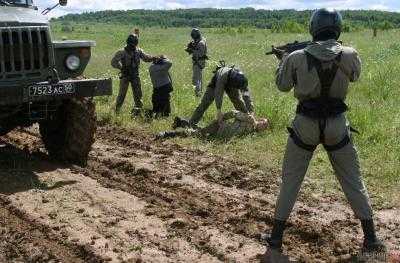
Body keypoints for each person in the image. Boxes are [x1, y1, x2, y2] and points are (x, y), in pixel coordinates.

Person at [263, 8, 386, 258]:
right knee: (353, 180)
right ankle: (371, 238)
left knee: (291, 180)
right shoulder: (349, 54)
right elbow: (355, 76)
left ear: (313, 27)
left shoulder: (296, 57)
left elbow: (282, 86)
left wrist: (283, 61)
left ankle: (275, 240)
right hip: (337, 124)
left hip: (305, 124)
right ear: (337, 28)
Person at [173, 64, 254, 130]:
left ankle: (247, 121)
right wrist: (219, 110)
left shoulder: (242, 79)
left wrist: (250, 111)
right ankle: (191, 123)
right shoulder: (223, 75)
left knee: (238, 102)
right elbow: (218, 93)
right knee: (204, 103)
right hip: (215, 84)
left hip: (231, 84)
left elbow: (246, 95)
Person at [111, 34, 156, 114]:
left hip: (135, 75)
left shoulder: (138, 51)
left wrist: (154, 58)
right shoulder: (122, 52)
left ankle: (138, 112)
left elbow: (146, 58)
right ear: (128, 43)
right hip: (125, 75)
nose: (132, 46)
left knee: (138, 95)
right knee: (122, 95)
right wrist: (121, 68)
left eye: (134, 44)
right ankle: (117, 111)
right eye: (131, 44)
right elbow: (113, 62)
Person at [158, 110, 268, 140]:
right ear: (261, 120)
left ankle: (182, 122)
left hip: (219, 135)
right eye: (265, 123)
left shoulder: (252, 134)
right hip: (220, 127)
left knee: (200, 132)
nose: (264, 127)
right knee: (196, 134)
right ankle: (167, 134)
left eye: (266, 127)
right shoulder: (250, 119)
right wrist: (221, 119)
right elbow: (233, 113)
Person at [185, 28, 208, 97]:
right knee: (197, 79)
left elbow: (201, 53)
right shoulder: (200, 40)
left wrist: (192, 50)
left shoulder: (201, 43)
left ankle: (198, 94)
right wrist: (193, 46)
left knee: (196, 79)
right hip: (197, 62)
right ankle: (198, 93)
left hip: (198, 63)